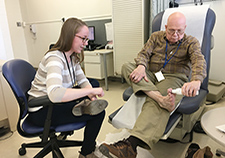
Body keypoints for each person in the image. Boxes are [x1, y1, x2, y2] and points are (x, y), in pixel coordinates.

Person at [99, 12, 206, 158]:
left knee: (165, 96)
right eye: (171, 30)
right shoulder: (156, 37)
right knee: (126, 67)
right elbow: (144, 54)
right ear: (166, 27)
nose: (175, 34)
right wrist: (141, 66)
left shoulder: (191, 42)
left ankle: (131, 145)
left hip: (173, 77)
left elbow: (198, 60)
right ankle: (158, 97)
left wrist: (196, 80)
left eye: (179, 31)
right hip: (152, 74)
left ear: (185, 28)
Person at [28, 17, 108, 158]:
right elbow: (55, 94)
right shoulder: (55, 58)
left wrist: (92, 97)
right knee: (98, 114)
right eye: (83, 38)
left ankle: (84, 105)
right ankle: (86, 153)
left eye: (87, 39)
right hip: (43, 110)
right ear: (70, 35)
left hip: (53, 103)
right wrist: (89, 92)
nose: (86, 43)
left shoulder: (72, 57)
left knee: (93, 83)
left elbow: (83, 81)